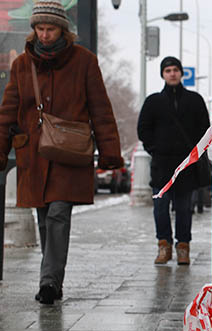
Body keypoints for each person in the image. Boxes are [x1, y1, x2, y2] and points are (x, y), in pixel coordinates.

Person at [0, 1, 122, 305]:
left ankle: (49, 282)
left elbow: (101, 109)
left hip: (69, 153)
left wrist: (110, 151)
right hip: (34, 155)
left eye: (50, 29)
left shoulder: (84, 61)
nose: (44, 35)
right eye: (40, 29)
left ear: (63, 30)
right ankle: (52, 278)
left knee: (58, 213)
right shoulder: (21, 64)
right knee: (44, 217)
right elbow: (8, 112)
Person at [137, 56, 209, 265]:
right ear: (163, 74)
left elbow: (204, 129)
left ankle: (183, 247)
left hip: (186, 164)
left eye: (175, 70)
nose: (172, 74)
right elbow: (143, 129)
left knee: (184, 208)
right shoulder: (153, 101)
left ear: (181, 73)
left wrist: (195, 152)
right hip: (161, 164)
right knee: (160, 207)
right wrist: (155, 150)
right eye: (168, 70)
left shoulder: (194, 100)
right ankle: (164, 245)